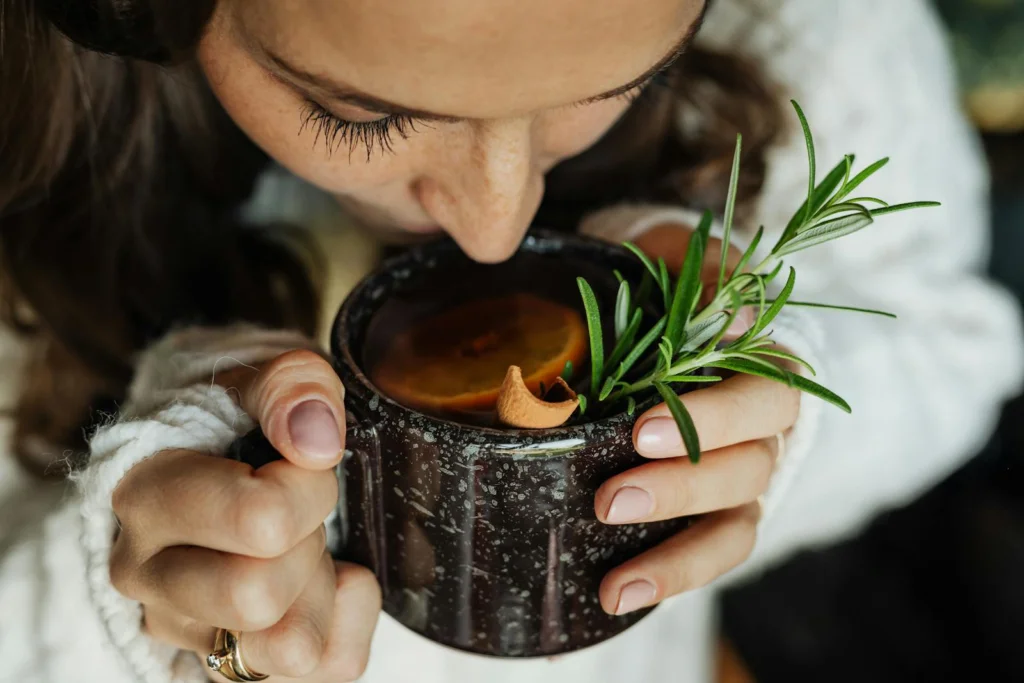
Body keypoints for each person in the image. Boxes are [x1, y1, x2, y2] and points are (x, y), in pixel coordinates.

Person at [1, 0, 1020, 681]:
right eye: (358, 115)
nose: (495, 221)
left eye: (627, 77)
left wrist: (770, 419)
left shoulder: (818, 26)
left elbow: (958, 346)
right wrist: (135, 588)